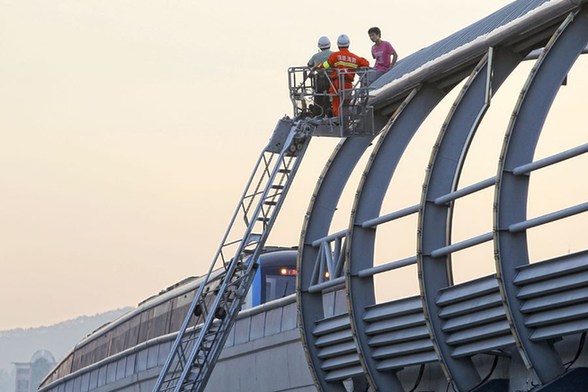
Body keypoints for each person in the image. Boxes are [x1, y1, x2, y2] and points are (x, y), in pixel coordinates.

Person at [319, 34, 369, 117]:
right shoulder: (355, 58)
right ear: (348, 45)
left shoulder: (334, 56)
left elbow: (325, 65)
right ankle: (345, 120)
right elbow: (366, 63)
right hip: (348, 85)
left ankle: (338, 120)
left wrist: (317, 66)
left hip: (336, 85)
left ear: (338, 45)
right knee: (345, 104)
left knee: (336, 104)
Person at [307, 36, 333, 117]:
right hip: (332, 80)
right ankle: (329, 111)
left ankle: (317, 113)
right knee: (331, 96)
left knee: (318, 96)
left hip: (320, 80)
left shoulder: (316, 56)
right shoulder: (333, 54)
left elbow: (309, 64)